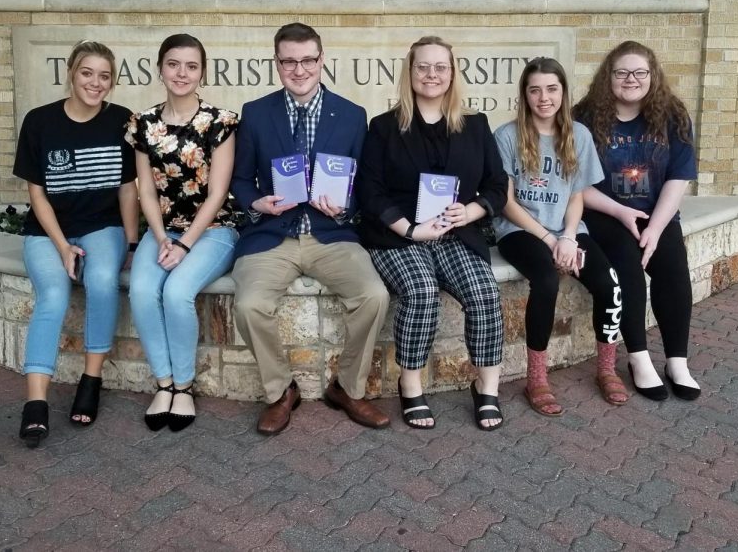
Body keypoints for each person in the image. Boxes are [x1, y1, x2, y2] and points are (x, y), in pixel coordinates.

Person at [230, 22, 390, 435]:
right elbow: (241, 179)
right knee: (248, 306)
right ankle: (281, 390)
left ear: (322, 60)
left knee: (373, 296)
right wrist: (255, 202)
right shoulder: (255, 113)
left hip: (330, 235)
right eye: (289, 61)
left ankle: (347, 389)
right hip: (273, 234)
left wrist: (343, 207)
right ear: (277, 63)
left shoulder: (353, 116)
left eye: (307, 60)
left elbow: (364, 184)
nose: (298, 70)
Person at [356, 35, 507, 431]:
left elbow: (497, 185)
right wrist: (410, 229)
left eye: (441, 67)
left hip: (457, 231)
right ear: (410, 72)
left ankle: (487, 386)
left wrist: (470, 211)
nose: (432, 74)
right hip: (399, 234)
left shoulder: (475, 126)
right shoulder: (385, 127)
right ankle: (411, 386)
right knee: (422, 292)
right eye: (423, 66)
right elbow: (369, 190)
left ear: (452, 74)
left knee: (485, 292)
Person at [13, 40, 139, 448]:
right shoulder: (39, 122)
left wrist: (133, 244)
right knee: (52, 294)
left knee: (102, 279)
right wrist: (62, 246)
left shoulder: (122, 122)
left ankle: (91, 378)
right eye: (88, 73)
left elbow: (127, 191)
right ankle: (35, 404)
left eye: (105, 76)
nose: (95, 83)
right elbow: (37, 194)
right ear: (71, 72)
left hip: (103, 226)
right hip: (48, 229)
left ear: (112, 81)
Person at [494, 57, 627, 416]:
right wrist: (550, 241)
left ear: (563, 92)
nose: (544, 97)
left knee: (609, 282)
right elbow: (505, 202)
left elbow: (576, 195)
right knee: (547, 279)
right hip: (520, 230)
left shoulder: (578, 135)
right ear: (524, 94)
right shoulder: (507, 136)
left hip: (567, 229)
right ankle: (536, 378)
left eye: (552, 89)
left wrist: (568, 236)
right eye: (534, 90)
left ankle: (606, 368)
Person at [574, 40, 700, 401]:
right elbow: (574, 183)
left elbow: (679, 177)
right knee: (627, 266)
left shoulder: (673, 116)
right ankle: (639, 358)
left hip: (655, 212)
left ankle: (677, 361)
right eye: (621, 72)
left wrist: (657, 229)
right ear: (608, 77)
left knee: (673, 267)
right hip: (604, 212)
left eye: (639, 72)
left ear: (652, 76)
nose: (631, 79)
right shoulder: (583, 117)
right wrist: (619, 211)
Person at [126, 34, 239, 432]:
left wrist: (184, 245)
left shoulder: (220, 122)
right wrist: (160, 239)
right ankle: (165, 383)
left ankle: (186, 386)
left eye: (191, 66)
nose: (182, 73)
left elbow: (218, 193)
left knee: (176, 292)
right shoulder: (143, 124)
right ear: (160, 68)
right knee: (141, 291)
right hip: (164, 231)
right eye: (173, 64)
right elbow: (146, 190)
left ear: (202, 72)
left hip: (213, 230)